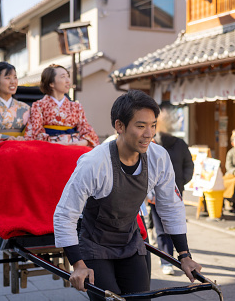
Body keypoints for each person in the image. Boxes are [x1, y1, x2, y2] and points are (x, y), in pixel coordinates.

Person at [54, 90, 201, 299]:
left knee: (141, 297)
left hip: (130, 242)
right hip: (95, 244)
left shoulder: (158, 157)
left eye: (153, 126)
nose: (149, 133)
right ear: (119, 126)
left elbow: (170, 205)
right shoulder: (94, 163)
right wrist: (78, 265)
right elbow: (64, 214)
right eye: (140, 126)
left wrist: (184, 255)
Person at [149, 107, 194, 275]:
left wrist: (180, 182)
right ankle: (167, 259)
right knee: (163, 228)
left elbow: (188, 165)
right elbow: (189, 165)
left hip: (172, 191)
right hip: (157, 192)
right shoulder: (152, 144)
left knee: (167, 227)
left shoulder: (177, 144)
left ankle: (169, 260)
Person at [24, 64, 99, 148]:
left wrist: (82, 142)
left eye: (68, 76)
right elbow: (35, 133)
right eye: (63, 77)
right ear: (51, 83)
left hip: (75, 147)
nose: (68, 81)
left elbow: (87, 130)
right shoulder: (38, 106)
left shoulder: (76, 106)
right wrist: (59, 143)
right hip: (50, 147)